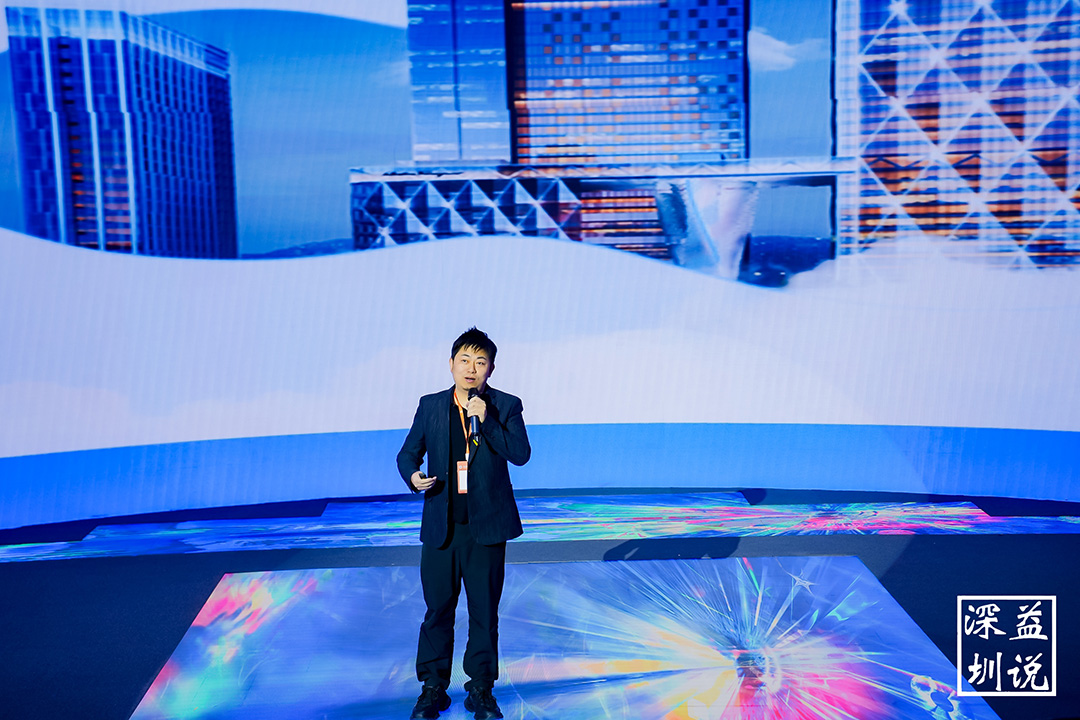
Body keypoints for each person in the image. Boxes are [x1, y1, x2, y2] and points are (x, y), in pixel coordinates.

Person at [397, 328, 531, 720]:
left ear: (491, 368)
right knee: (437, 611)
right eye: (465, 360)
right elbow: (407, 454)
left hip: (486, 528)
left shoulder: (505, 405)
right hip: (442, 528)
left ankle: (481, 689)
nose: (471, 369)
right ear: (452, 364)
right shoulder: (431, 405)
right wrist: (413, 476)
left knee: (484, 613)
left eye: (480, 362)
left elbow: (520, 453)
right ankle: (432, 688)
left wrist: (486, 421)